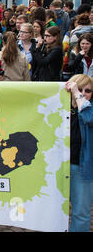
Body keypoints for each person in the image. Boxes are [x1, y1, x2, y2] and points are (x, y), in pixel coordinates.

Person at [65, 75, 93, 232]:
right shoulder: (61, 106)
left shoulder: (89, 109)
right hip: (60, 166)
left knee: (80, 213)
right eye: (80, 88)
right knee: (54, 210)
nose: (83, 93)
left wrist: (77, 94)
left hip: (81, 167)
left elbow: (89, 117)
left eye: (87, 91)